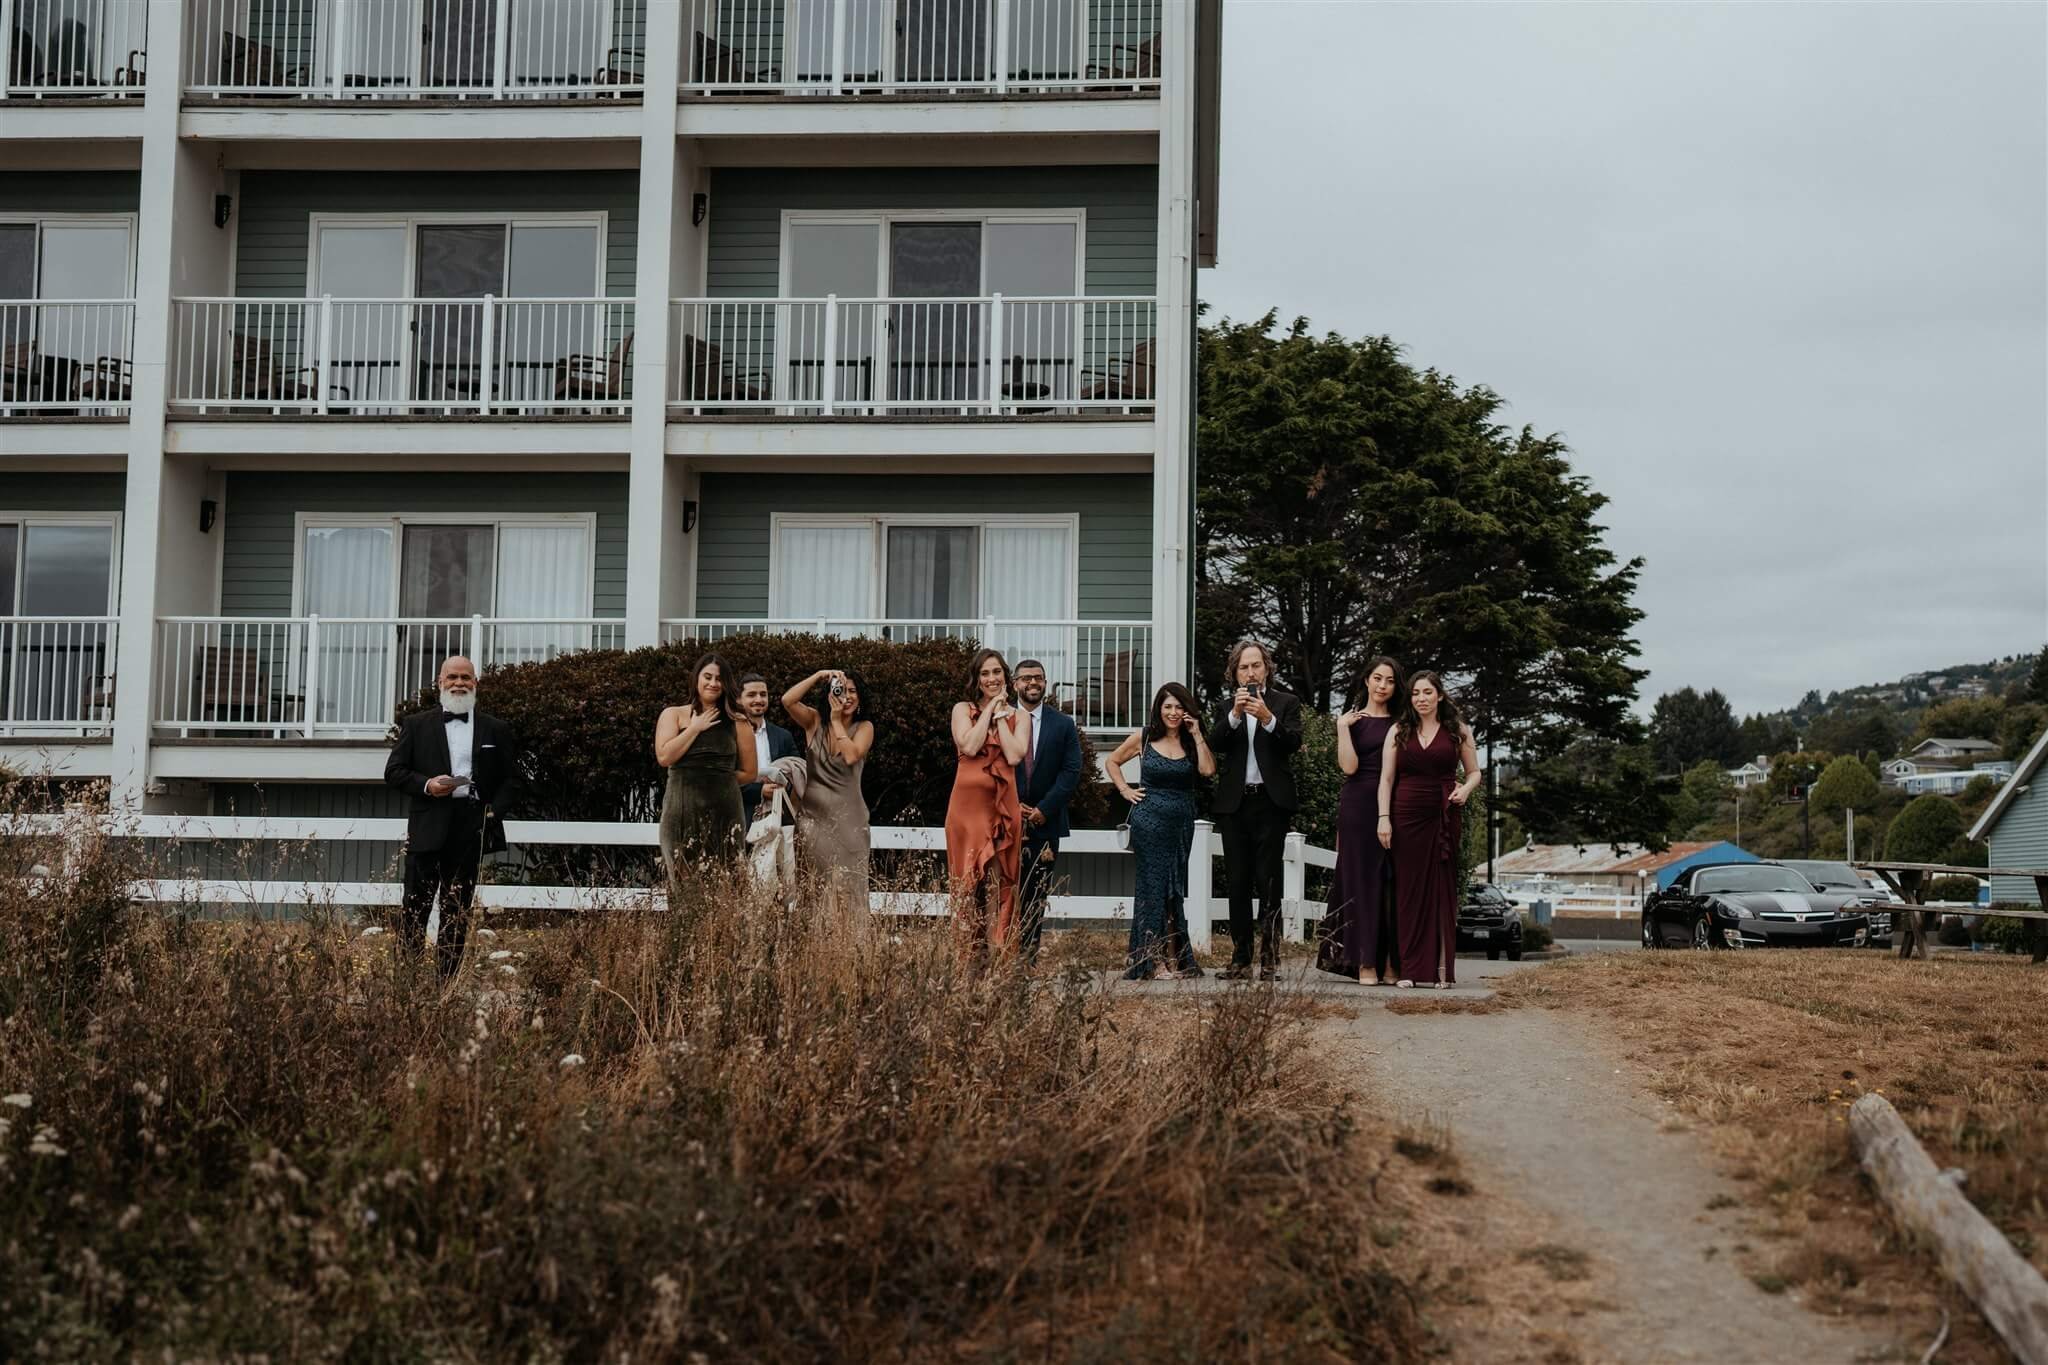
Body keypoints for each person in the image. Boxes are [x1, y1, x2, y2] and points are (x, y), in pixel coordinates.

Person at [384, 655, 525, 979]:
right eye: (452, 677)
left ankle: (445, 989)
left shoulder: (495, 728)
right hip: (428, 824)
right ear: (440, 683)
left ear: (475, 683)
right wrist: (428, 785)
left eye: (466, 677)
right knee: (415, 911)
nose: (459, 683)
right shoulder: (417, 725)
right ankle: (407, 986)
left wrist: (492, 811)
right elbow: (394, 772)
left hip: (470, 827)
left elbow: (512, 780)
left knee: (456, 913)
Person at [1377, 670, 1483, 989]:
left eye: (1427, 692)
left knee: (1441, 891)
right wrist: (1384, 817)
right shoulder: (1398, 729)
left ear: (1439, 695)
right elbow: (1386, 779)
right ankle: (1409, 970)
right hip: (1405, 814)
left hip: (1444, 814)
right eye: (1415, 694)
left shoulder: (1458, 730)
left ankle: (1440, 972)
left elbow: (1475, 772)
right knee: (1407, 892)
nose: (1421, 698)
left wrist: (1465, 790)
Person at [1207, 639, 1303, 981]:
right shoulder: (1225, 707)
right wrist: (1235, 715)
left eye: (1256, 665)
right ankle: (1240, 957)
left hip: (1271, 802)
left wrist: (1268, 719)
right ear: (1235, 673)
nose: (1251, 672)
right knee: (1237, 882)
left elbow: (1293, 742)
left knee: (1269, 881)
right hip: (1235, 804)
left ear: (1266, 668)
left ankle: (1270, 959)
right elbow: (1214, 743)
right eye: (1244, 667)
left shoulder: (1285, 702)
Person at [1107, 682, 1214, 980]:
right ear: (1159, 709)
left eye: (1179, 707)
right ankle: (1152, 962)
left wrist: (1196, 734)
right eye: (1168, 706)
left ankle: (1174, 959)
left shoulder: (1192, 743)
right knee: (1152, 889)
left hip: (1181, 824)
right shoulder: (1143, 738)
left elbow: (1207, 771)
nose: (1173, 712)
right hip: (1149, 822)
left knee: (1173, 891)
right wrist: (1125, 790)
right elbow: (1112, 761)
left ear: (1187, 711)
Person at [1318, 657, 1403, 984]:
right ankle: (1364, 962)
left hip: (1392, 804)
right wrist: (1342, 728)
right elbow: (1348, 768)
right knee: (1359, 883)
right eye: (1377, 678)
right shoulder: (1351, 721)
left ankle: (1391, 963)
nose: (1383, 686)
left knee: (1389, 883)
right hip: (1356, 804)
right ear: (1367, 680)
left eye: (1390, 681)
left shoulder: (1400, 722)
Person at [945, 647, 1030, 970]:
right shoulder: (961, 709)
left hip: (1002, 808)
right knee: (967, 884)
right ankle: (967, 961)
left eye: (996, 672)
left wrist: (1001, 717)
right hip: (966, 810)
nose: (991, 679)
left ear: (1005, 677)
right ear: (977, 680)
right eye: (985, 674)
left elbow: (1013, 756)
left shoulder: (1018, 716)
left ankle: (998, 958)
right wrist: (989, 709)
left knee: (999, 884)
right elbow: (968, 745)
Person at [655, 653, 758, 884]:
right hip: (681, 810)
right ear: (697, 678)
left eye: (719, 679)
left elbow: (750, 772)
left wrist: (717, 781)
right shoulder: (673, 715)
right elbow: (664, 756)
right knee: (683, 886)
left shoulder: (738, 721)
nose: (713, 683)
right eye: (707, 677)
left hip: (725, 813)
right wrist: (694, 728)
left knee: (729, 884)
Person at [782, 665, 876, 918]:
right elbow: (787, 700)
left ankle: (849, 950)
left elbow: (851, 755)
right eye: (841, 690)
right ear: (830, 694)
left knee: (850, 889)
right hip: (812, 822)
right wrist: (817, 676)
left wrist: (836, 721)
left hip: (850, 821)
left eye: (853, 691)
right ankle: (813, 951)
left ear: (861, 697)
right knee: (813, 890)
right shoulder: (814, 722)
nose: (847, 696)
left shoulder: (864, 727)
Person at [1011, 658, 1084, 964]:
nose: (1033, 683)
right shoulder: (1002, 719)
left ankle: (1026, 961)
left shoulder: (1063, 724)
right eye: (1026, 678)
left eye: (1038, 678)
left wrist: (1044, 809)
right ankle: (999, 955)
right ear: (1015, 684)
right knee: (1003, 892)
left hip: (1046, 823)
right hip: (1006, 819)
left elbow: (1071, 771)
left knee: (1035, 896)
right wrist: (1011, 806)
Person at [736, 673, 800, 820]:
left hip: (779, 817)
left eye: (763, 694)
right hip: (741, 816)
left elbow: (797, 772)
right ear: (739, 699)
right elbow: (723, 780)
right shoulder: (729, 736)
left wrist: (785, 786)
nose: (758, 699)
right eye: (751, 695)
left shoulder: (784, 736)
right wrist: (760, 790)